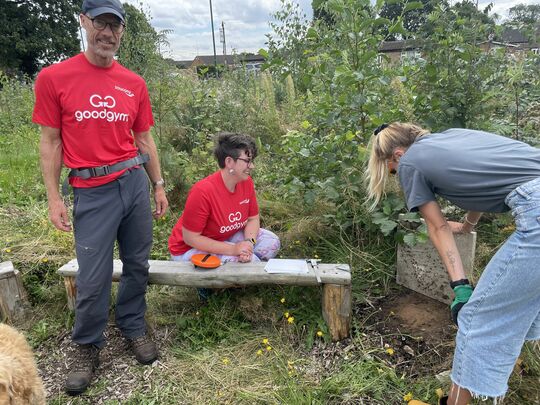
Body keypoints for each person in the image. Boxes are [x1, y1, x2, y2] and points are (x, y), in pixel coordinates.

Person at [32, 0, 168, 396]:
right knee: (92, 276)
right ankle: (86, 347)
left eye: (115, 26)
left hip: (133, 184)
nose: (108, 33)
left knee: (138, 263)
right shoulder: (55, 78)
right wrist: (54, 197)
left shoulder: (133, 83)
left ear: (122, 31)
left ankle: (133, 326)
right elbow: (51, 141)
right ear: (85, 22)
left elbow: (144, 138)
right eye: (101, 24)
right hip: (91, 191)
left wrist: (157, 185)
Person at [365, 123, 540, 405]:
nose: (398, 175)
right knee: (528, 306)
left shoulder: (410, 163)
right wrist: (469, 226)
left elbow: (437, 227)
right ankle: (514, 372)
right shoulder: (456, 136)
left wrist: (461, 289)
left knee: (475, 318)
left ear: (397, 155)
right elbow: (485, 180)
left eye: (392, 171)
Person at [169, 132, 280, 270]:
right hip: (188, 248)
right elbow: (191, 238)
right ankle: (208, 286)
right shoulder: (203, 191)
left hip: (223, 237)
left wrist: (248, 243)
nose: (252, 167)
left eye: (252, 161)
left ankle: (237, 272)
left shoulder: (246, 183)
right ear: (229, 162)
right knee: (252, 263)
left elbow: (252, 219)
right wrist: (233, 250)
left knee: (271, 242)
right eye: (247, 161)